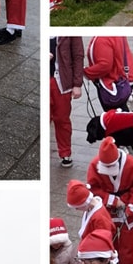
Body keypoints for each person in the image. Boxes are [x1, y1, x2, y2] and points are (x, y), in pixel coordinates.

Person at [86, 136, 133, 264]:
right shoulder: (94, 165)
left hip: (128, 207)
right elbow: (93, 188)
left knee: (130, 245)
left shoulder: (131, 163)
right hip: (107, 210)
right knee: (109, 242)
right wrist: (112, 200)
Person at [50, 36, 83, 168]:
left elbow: (78, 55)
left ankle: (65, 152)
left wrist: (77, 84)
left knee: (62, 119)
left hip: (61, 81)